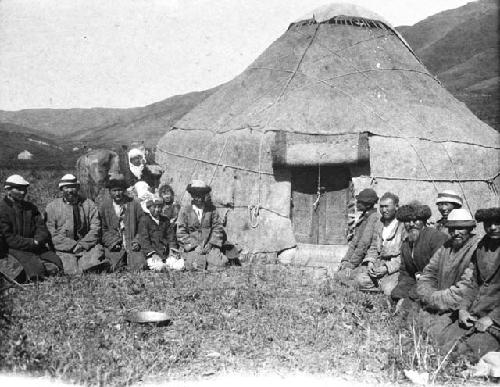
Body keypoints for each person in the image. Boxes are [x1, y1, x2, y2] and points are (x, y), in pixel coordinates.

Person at [438, 207, 500, 360]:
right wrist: (463, 309)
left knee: (465, 355)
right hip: (476, 314)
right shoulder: (482, 246)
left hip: (495, 322)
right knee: (441, 342)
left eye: (498, 223)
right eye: (488, 224)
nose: (492, 227)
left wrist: (492, 318)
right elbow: (473, 283)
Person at [416, 208, 479, 341]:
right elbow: (428, 274)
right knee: (413, 320)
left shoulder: (477, 248)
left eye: (461, 228)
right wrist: (427, 293)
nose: (456, 233)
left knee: (438, 335)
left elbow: (465, 288)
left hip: (461, 307)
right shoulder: (446, 246)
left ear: (470, 229)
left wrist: (432, 299)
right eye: (452, 228)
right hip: (438, 301)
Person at [0, 175, 62, 282]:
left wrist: (37, 240)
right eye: (18, 189)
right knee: (36, 271)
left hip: (34, 245)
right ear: (8, 190)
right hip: (12, 248)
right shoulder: (2, 209)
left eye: (24, 189)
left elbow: (42, 228)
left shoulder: (31, 208)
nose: (23, 192)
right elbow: (8, 237)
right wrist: (31, 242)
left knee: (56, 262)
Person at [45, 174, 109, 274]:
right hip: (63, 248)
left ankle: (91, 266)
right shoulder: (52, 207)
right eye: (66, 187)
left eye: (73, 187)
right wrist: (72, 245)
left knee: (90, 264)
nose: (70, 190)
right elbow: (51, 233)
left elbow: (96, 229)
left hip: (87, 247)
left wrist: (83, 244)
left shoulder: (89, 204)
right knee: (71, 270)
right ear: (62, 189)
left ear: (78, 188)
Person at [391, 203, 448, 303]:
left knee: (409, 305)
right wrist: (401, 291)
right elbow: (405, 272)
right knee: (395, 295)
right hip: (418, 282)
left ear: (424, 221)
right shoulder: (406, 243)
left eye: (416, 220)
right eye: (407, 221)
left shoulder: (435, 237)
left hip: (436, 283)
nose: (411, 224)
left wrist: (410, 296)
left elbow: (437, 272)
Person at [354, 192, 405, 295]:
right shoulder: (379, 223)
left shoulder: (402, 226)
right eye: (381, 207)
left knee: (389, 289)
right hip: (378, 264)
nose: (384, 210)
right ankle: (378, 288)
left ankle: (383, 289)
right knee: (359, 280)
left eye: (387, 207)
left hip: (394, 267)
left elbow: (404, 255)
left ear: (396, 207)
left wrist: (386, 268)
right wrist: (370, 262)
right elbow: (373, 247)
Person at [99, 173, 146, 271]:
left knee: (140, 265)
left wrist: (137, 240)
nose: (117, 193)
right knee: (114, 267)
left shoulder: (134, 204)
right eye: (114, 190)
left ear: (124, 191)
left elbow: (143, 226)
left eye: (119, 190)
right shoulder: (104, 207)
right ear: (109, 192)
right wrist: (112, 242)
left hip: (131, 242)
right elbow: (102, 229)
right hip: (115, 244)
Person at [176, 180, 226, 270]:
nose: (198, 199)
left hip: (208, 245)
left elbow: (217, 228)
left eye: (201, 195)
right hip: (192, 247)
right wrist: (195, 246)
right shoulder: (185, 210)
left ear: (205, 195)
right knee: (194, 265)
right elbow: (181, 233)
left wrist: (210, 244)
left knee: (219, 265)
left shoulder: (212, 210)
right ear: (192, 195)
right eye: (196, 195)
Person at [337, 188, 379, 279]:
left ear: (367, 205)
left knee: (341, 277)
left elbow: (363, 244)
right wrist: (345, 260)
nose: (356, 204)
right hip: (358, 259)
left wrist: (351, 264)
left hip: (367, 260)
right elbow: (354, 242)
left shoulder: (373, 217)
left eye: (359, 202)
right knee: (339, 274)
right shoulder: (364, 216)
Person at [139, 196, 183, 271]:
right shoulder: (144, 220)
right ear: (149, 208)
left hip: (165, 252)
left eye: (159, 207)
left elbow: (171, 236)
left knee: (180, 265)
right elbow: (144, 240)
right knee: (158, 266)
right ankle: (161, 265)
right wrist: (153, 254)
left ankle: (167, 264)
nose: (157, 210)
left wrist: (172, 250)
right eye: (154, 207)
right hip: (153, 252)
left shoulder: (165, 220)